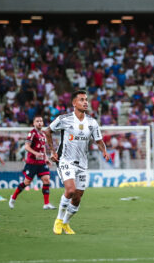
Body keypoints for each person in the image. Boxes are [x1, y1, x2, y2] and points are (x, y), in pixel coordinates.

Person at [45, 90, 109, 235]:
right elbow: (47, 131)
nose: (85, 102)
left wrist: (104, 151)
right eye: (81, 99)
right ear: (74, 103)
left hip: (82, 164)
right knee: (71, 190)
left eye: (86, 99)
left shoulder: (92, 122)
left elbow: (99, 141)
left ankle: (66, 223)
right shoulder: (64, 119)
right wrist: (52, 151)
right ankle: (59, 220)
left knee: (78, 197)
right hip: (65, 160)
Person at [9, 115, 56, 210]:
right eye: (37, 121)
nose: (39, 122)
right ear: (34, 123)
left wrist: (46, 158)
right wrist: (35, 153)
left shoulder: (43, 134)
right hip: (32, 163)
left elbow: (43, 148)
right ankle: (13, 197)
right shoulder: (32, 133)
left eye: (41, 121)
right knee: (26, 182)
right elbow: (26, 147)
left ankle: (46, 203)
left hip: (41, 163)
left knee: (46, 180)